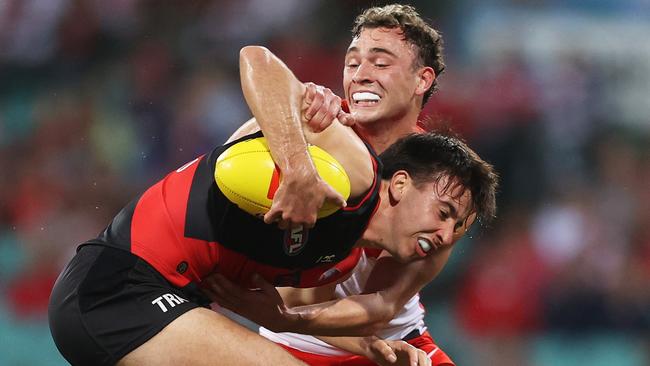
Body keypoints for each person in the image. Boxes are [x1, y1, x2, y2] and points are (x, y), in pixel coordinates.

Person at [48, 36, 496, 366]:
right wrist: (298, 164)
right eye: (443, 214)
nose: (445, 235)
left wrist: (367, 346)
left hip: (167, 299)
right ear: (398, 186)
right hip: (116, 288)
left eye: (455, 225)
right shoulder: (353, 173)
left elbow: (262, 301)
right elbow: (257, 60)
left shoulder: (336, 259)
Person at [207, 4, 463, 365]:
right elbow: (285, 291)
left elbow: (383, 305)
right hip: (292, 339)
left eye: (381, 63)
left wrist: (373, 346)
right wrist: (295, 124)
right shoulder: (307, 129)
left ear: (422, 80)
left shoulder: (444, 186)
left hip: (394, 341)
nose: (361, 75)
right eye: (353, 62)